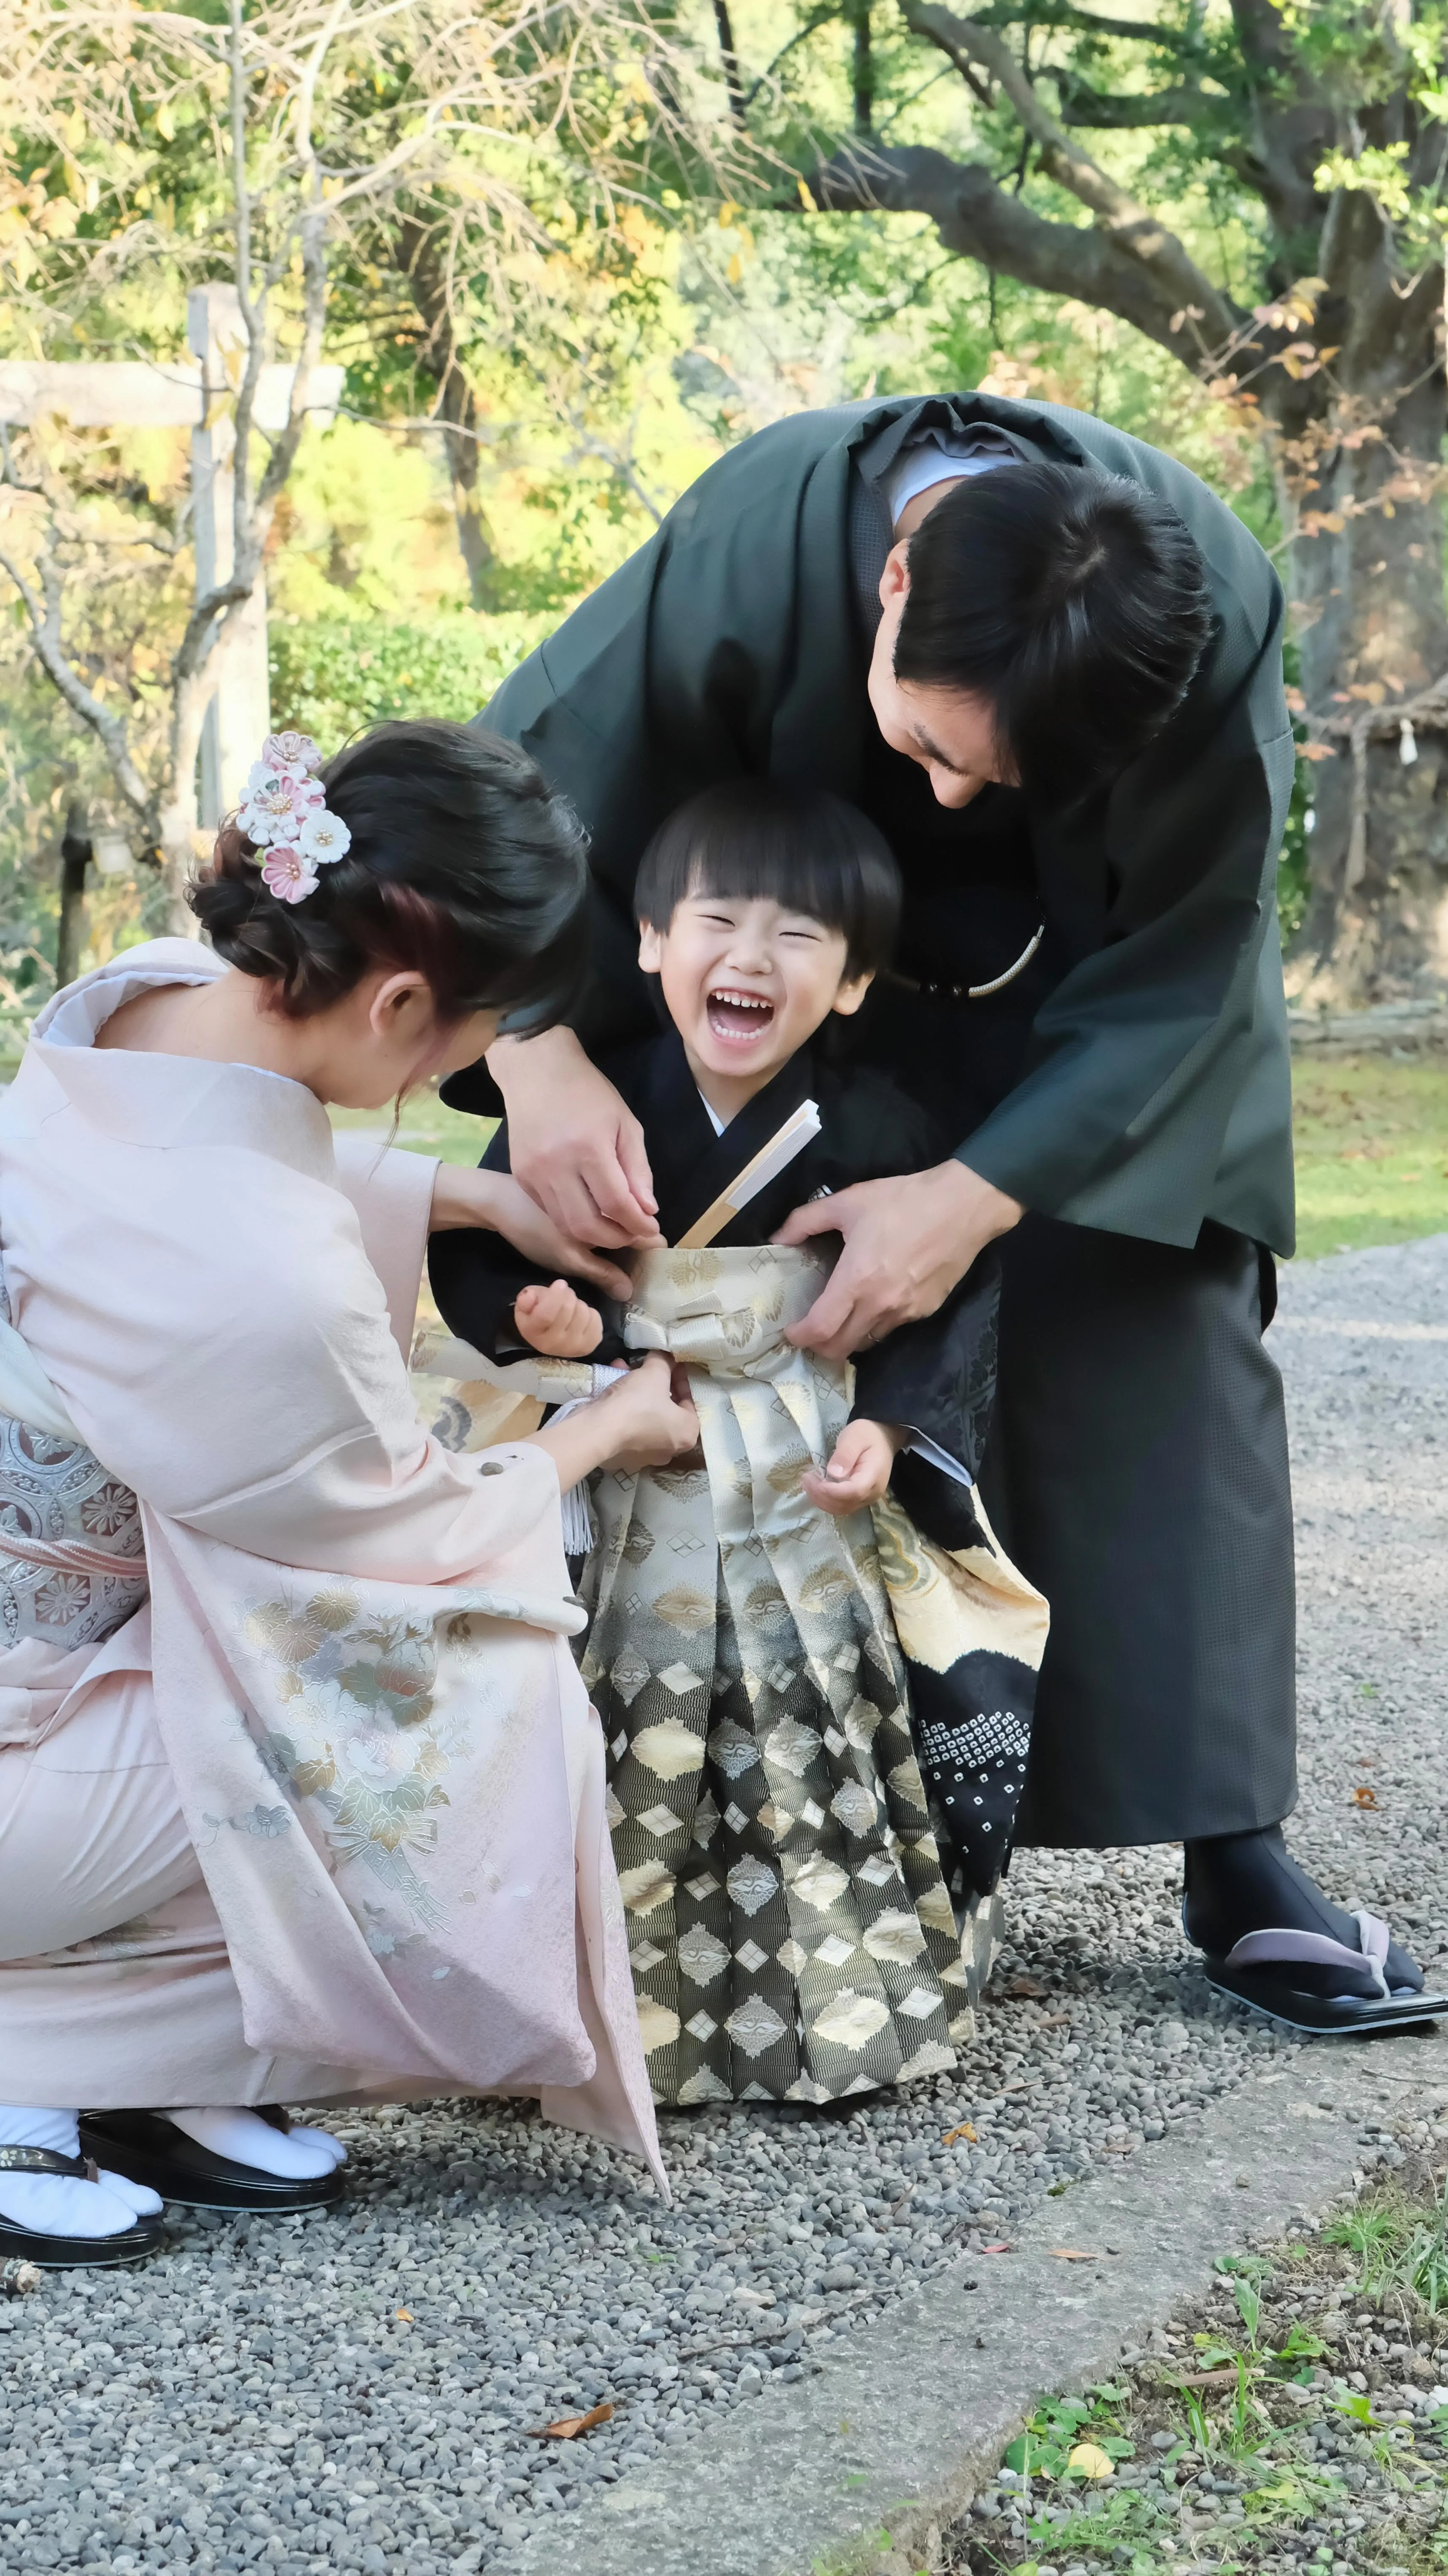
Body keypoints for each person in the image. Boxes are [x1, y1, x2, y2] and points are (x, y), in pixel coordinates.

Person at [454, 394, 1448, 2039]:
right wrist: (536, 1045)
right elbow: (527, 786)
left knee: (1153, 1323)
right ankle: (746, 1855)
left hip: (1106, 1009)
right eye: (925, 745)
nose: (950, 803)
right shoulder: (762, 531)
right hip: (790, 985)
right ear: (898, 579)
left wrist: (979, 1194)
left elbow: (1194, 949)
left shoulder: (1198, 606)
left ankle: (1238, 1854)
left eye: (991, 777)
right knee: (751, 1383)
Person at [0, 721, 696, 2266]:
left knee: (302, 1676)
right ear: (401, 1001)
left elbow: (177, 1190)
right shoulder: (260, 1279)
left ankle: (164, 2074)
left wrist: (463, 1189)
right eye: (459, 1048)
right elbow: (404, 1531)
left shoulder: (148, 997)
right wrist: (600, 1433)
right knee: (460, 1695)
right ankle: (8, 2099)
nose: (446, 1078)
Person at [431, 779, 1048, 2102]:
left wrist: (891, 1421)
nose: (752, 958)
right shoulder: (590, 1116)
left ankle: (823, 2001)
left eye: (801, 937)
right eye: (718, 919)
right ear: (649, 941)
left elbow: (941, 1293)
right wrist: (535, 1314)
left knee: (797, 1722)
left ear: (857, 981)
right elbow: (481, 1247)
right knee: (587, 1719)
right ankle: (572, 2015)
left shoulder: (880, 1133)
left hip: (793, 1470)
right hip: (625, 1454)